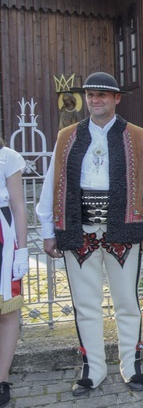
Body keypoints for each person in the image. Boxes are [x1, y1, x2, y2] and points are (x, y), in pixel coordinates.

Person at [36, 72, 143, 396]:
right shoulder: (67, 136)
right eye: (92, 95)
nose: (96, 100)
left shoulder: (136, 136)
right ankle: (91, 370)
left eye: (103, 95)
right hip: (77, 228)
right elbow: (51, 183)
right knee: (85, 304)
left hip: (123, 228)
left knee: (126, 302)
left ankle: (131, 366)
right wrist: (47, 229)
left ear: (116, 99)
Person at [0, 139, 28, 408]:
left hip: (2, 238)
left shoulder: (7, 156)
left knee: (6, 310)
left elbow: (19, 206)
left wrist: (23, 249)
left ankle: (1, 378)